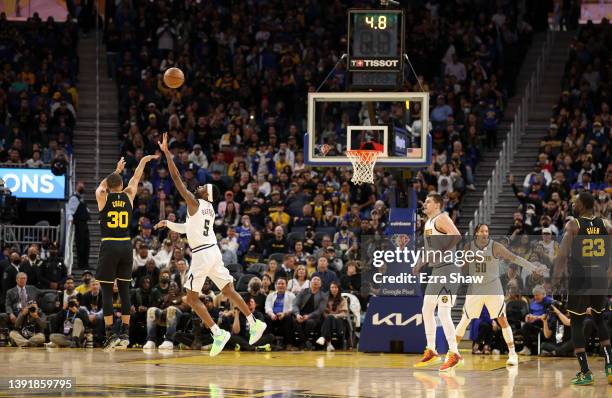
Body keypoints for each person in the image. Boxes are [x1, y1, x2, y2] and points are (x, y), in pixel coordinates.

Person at [155, 133, 266, 356]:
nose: (199, 186)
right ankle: (254, 322)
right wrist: (168, 223)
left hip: (203, 254)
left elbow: (177, 180)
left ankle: (217, 332)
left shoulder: (195, 203)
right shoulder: (209, 210)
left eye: (203, 187)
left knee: (191, 297)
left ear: (206, 194)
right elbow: (188, 228)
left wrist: (168, 154)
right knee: (229, 290)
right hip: (213, 251)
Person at [454, 223, 546, 366]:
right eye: (482, 231)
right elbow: (462, 267)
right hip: (476, 287)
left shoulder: (494, 246)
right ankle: (452, 353)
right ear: (476, 233)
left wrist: (533, 267)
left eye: (487, 231)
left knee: (502, 320)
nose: (485, 233)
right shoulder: (469, 247)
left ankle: (512, 354)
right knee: (465, 319)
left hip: (493, 287)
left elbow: (513, 257)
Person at [95, 154, 158, 351]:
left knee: (106, 290)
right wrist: (144, 161)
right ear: (121, 185)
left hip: (109, 245)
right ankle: (124, 332)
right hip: (125, 246)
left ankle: (110, 333)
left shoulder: (103, 197)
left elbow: (100, 187)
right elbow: (137, 177)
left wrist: (116, 171)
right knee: (124, 290)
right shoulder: (129, 194)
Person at [553, 191, 612, 385]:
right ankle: (610, 366)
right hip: (600, 278)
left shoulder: (573, 225)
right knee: (599, 318)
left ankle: (585, 372)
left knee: (576, 322)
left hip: (581, 278)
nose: (573, 204)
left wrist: (555, 277)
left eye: (576, 202)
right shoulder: (606, 225)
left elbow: (561, 256)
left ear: (583, 205)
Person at [413, 192, 463, 371]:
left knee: (443, 312)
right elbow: (430, 250)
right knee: (426, 309)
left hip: (449, 269)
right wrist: (419, 264)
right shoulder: (428, 223)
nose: (424, 204)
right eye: (425, 201)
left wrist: (441, 252)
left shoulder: (442, 217)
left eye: (428, 202)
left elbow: (456, 235)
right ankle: (432, 350)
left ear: (437, 205)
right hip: (437, 270)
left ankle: (454, 353)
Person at [316, 282, 348, 352]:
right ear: (330, 289)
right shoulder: (325, 298)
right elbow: (323, 311)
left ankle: (324, 338)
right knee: (329, 318)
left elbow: (344, 313)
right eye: (332, 287)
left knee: (330, 317)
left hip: (338, 320)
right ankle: (329, 344)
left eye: (336, 287)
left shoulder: (343, 299)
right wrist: (328, 316)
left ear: (338, 289)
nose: (334, 289)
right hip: (327, 320)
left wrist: (335, 315)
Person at [264, 278, 295, 349]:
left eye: (283, 284)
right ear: (275, 285)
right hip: (273, 316)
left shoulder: (291, 295)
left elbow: (292, 308)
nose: (280, 285)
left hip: (285, 316)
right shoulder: (270, 295)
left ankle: (288, 344)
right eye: (279, 284)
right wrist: (272, 314)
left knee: (288, 318)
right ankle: (271, 342)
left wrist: (284, 313)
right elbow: (267, 307)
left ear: (286, 286)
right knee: (266, 318)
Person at [67, 181, 91, 269]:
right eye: (81, 186)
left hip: (84, 223)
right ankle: (81, 264)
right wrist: (70, 219)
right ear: (76, 186)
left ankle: (86, 263)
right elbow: (70, 210)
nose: (82, 187)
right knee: (80, 244)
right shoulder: (74, 198)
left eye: (83, 186)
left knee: (86, 244)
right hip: (79, 224)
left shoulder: (81, 198)